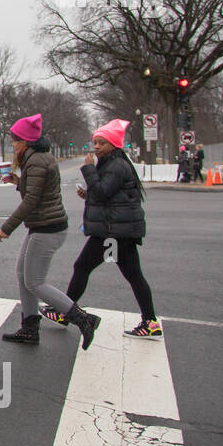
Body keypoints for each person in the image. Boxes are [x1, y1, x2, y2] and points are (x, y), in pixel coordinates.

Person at [44, 119, 163, 338]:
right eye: (95, 142)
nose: (96, 147)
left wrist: (88, 170)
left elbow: (103, 191)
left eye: (102, 143)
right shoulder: (112, 164)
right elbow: (109, 195)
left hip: (113, 232)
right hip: (119, 230)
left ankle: (65, 312)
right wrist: (89, 193)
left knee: (82, 267)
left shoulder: (116, 166)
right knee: (133, 276)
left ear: (114, 145)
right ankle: (150, 321)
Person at [0, 114, 101, 347]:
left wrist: (7, 227)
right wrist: (18, 181)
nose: (13, 143)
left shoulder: (35, 161)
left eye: (15, 139)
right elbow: (39, 191)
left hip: (47, 228)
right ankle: (29, 328)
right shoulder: (39, 158)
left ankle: (82, 319)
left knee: (35, 282)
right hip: (43, 226)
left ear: (26, 141)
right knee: (23, 275)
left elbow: (32, 200)